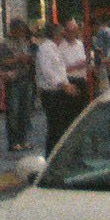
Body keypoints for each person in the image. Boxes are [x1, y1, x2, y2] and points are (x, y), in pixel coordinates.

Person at [33, 22, 78, 154]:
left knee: (61, 126)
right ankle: (52, 155)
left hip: (60, 91)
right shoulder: (46, 50)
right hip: (51, 93)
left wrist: (67, 84)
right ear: (57, 35)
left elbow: (60, 70)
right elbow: (48, 72)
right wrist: (63, 85)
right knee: (55, 127)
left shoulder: (55, 49)